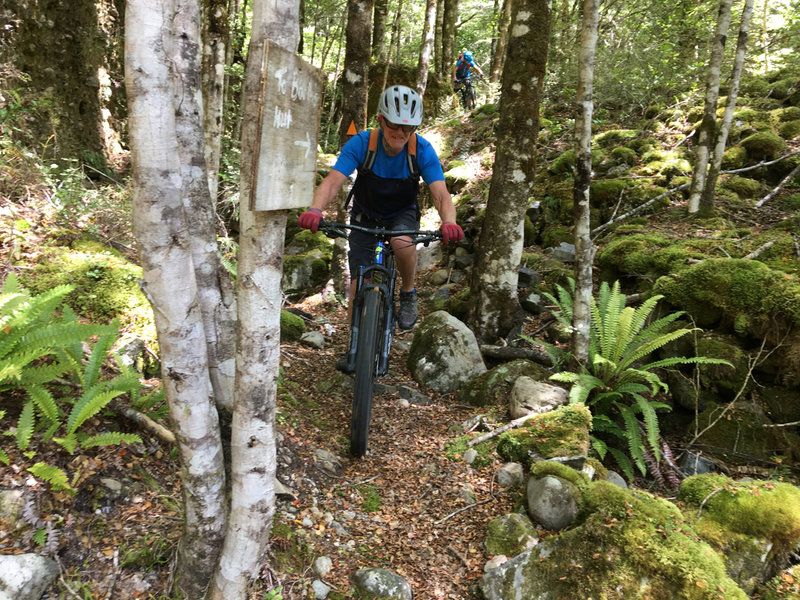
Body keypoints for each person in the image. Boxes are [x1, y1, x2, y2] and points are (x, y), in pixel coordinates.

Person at [297, 85, 463, 367]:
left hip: (401, 213)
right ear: (382, 120)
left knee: (402, 243)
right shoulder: (362, 143)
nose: (401, 133)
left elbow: (440, 193)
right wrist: (315, 209)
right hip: (366, 213)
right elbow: (333, 181)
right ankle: (354, 347)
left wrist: (449, 222)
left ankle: (408, 292)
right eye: (395, 125)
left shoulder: (420, 149)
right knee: (357, 281)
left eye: (408, 128)